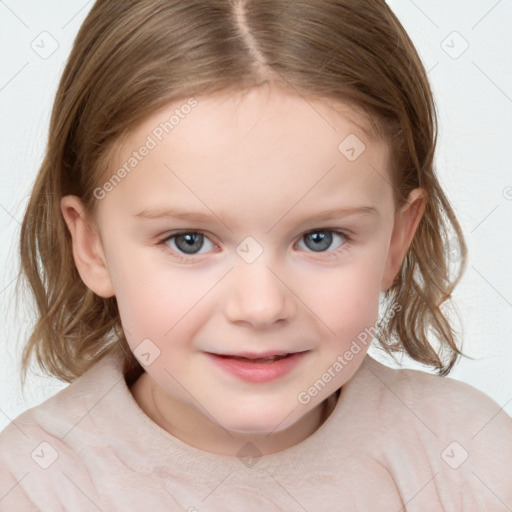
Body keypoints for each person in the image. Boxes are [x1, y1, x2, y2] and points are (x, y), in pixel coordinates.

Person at [1, 0, 510, 510]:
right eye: (189, 241)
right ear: (92, 247)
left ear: (397, 239)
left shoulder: (471, 459)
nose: (262, 306)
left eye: (320, 238)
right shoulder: (33, 486)